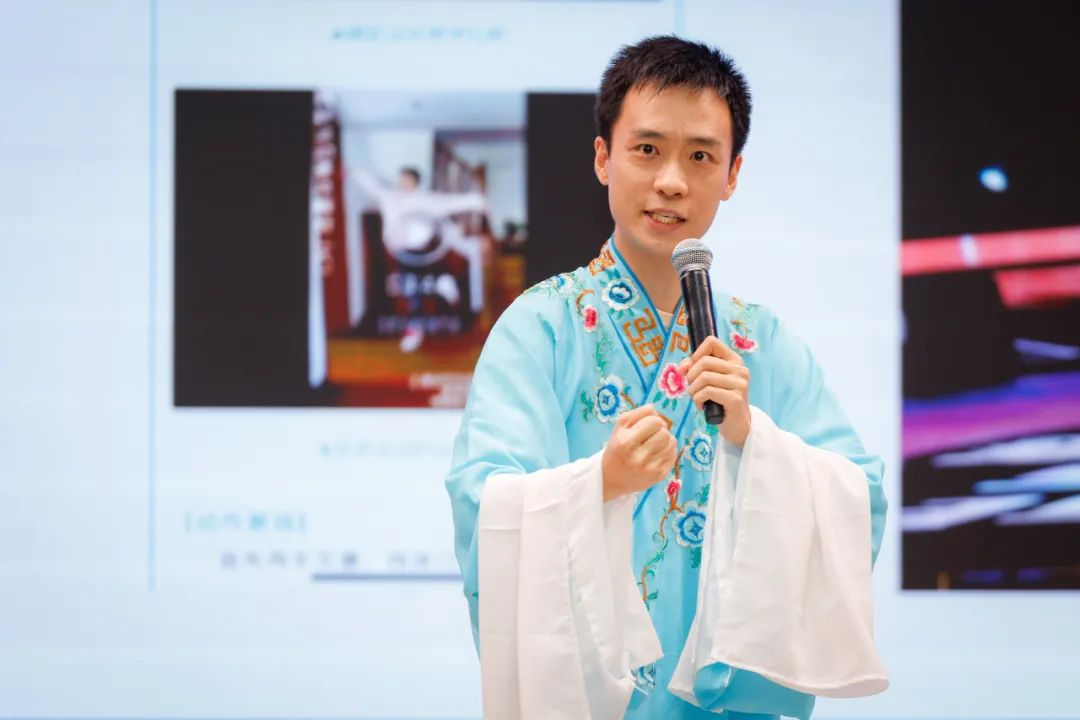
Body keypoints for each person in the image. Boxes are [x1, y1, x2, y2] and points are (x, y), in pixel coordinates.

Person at [445, 36, 888, 719]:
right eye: (648, 149)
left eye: (701, 156)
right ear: (604, 158)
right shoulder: (540, 327)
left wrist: (752, 440)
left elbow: (862, 501)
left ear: (733, 174)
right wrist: (601, 482)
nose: (672, 181)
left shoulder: (761, 342)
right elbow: (486, 504)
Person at [349, 165, 487, 352]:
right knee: (410, 291)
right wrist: (355, 172)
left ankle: (438, 288)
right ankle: (434, 294)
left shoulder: (425, 199)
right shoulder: (390, 197)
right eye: (401, 179)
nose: (402, 183)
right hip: (399, 252)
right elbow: (373, 187)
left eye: (406, 180)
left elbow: (450, 203)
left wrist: (476, 201)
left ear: (415, 182)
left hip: (422, 250)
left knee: (415, 290)